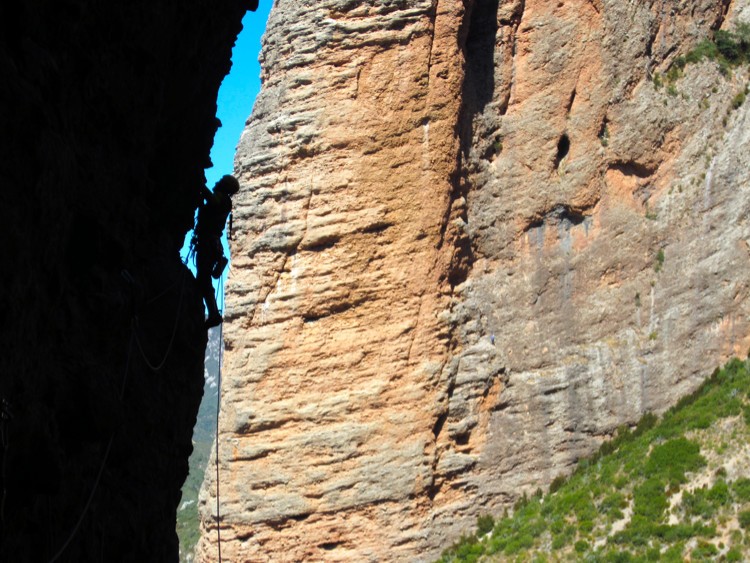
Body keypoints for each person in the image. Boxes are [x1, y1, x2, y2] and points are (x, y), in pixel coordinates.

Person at [195, 175, 239, 328]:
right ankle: (212, 311)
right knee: (203, 277)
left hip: (208, 243)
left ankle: (213, 313)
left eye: (221, 180)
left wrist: (200, 185)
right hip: (211, 244)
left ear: (224, 186)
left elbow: (212, 202)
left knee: (203, 277)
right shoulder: (225, 201)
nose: (217, 181)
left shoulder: (221, 199)